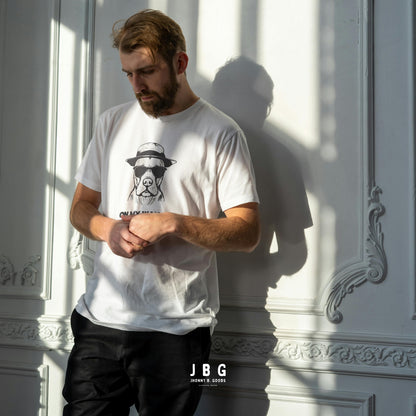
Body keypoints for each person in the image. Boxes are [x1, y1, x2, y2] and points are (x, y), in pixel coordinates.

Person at [63, 9, 260, 416]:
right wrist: (107, 229)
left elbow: (247, 232)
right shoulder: (111, 123)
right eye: (129, 74)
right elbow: (80, 208)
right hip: (99, 322)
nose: (138, 85)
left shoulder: (222, 133)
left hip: (178, 333)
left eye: (148, 71)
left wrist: (174, 223)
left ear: (180, 62)